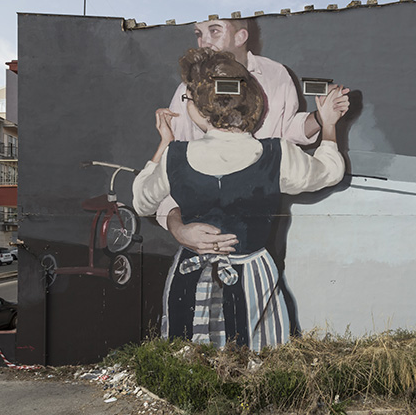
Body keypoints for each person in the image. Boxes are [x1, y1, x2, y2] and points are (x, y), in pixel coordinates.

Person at [133, 48, 347, 350]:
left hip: (189, 277)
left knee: (188, 365)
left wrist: (164, 145)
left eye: (189, 99)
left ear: (201, 110)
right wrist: (328, 124)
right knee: (255, 360)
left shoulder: (175, 156)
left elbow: (142, 201)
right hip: (252, 278)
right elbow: (330, 171)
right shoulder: (277, 153)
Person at [156, 18, 350, 254]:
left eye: (214, 31)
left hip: (257, 236)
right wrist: (177, 228)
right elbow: (168, 169)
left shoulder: (276, 74)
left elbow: (288, 129)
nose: (203, 41)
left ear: (241, 36)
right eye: (198, 33)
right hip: (199, 244)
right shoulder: (188, 90)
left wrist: (321, 118)